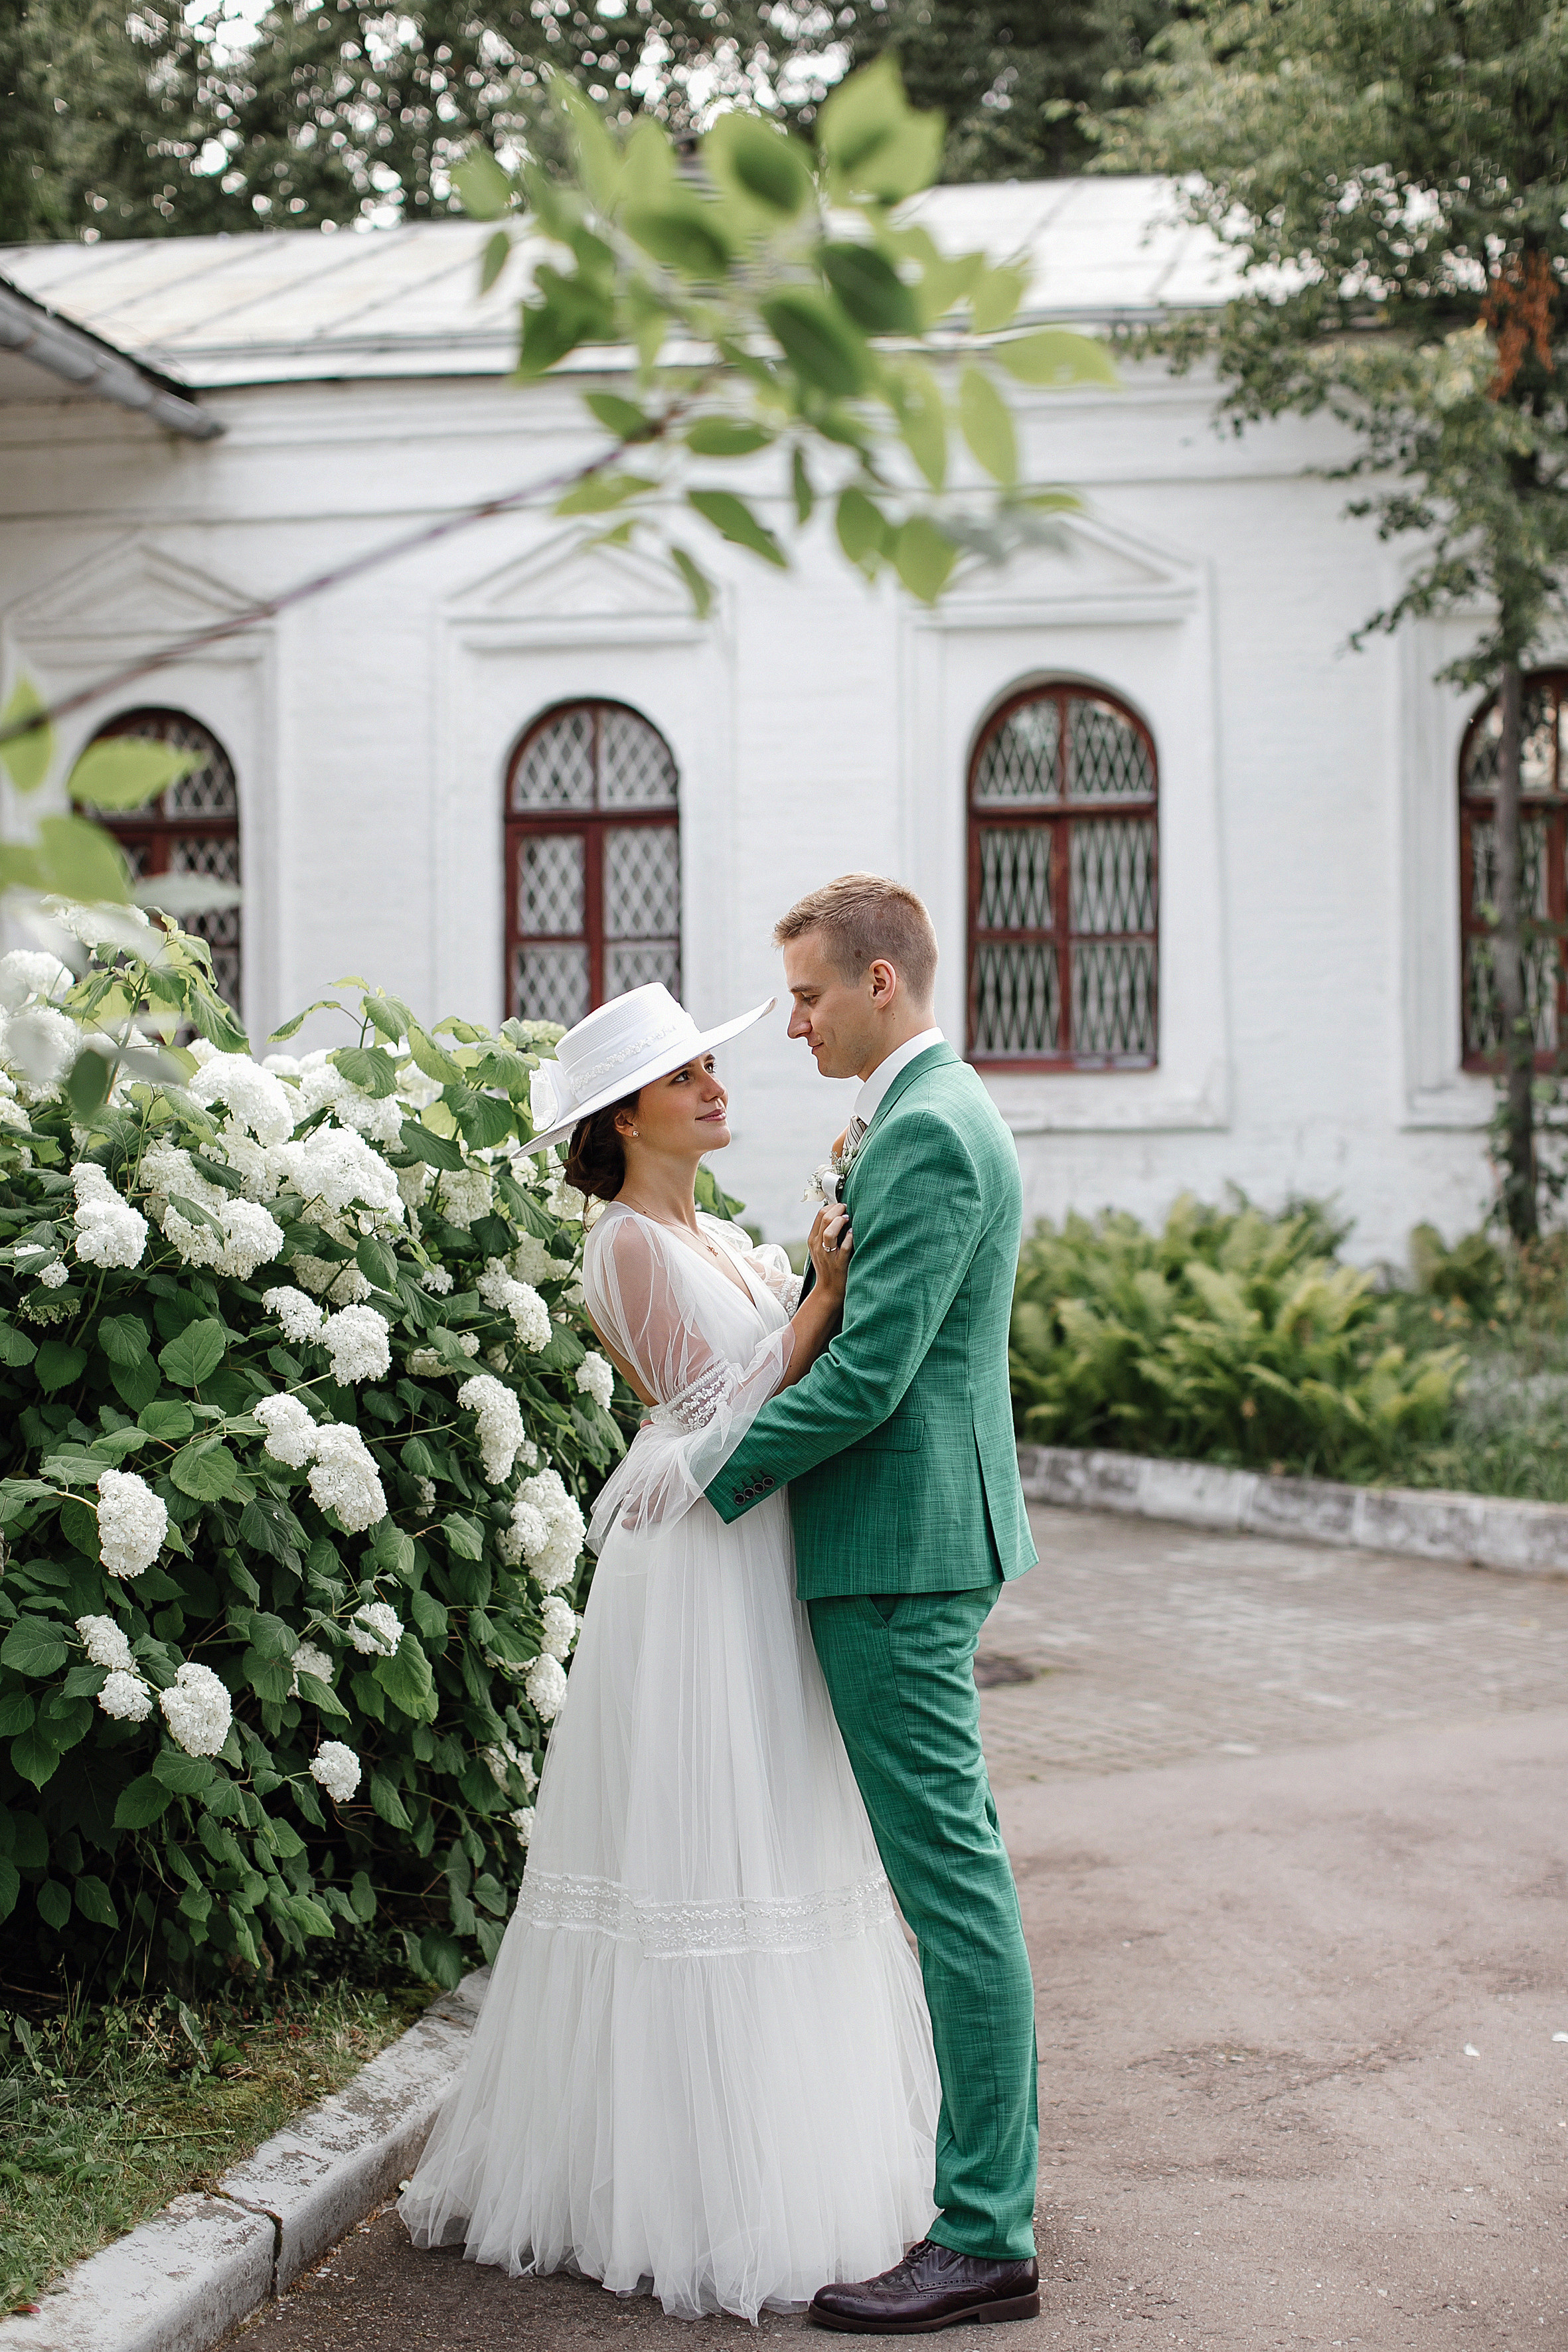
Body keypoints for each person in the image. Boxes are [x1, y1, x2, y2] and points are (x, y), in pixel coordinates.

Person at [399, 980, 940, 2323]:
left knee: (779, 1835)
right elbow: (717, 1410)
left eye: (712, 1066)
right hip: (698, 1559)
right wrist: (817, 1301)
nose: (714, 1087)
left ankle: (777, 2153)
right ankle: (673, 2186)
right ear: (627, 1114)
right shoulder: (624, 1247)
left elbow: (769, 1378)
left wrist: (809, 1280)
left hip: (756, 1547)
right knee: (699, 1846)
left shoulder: (721, 1235)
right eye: (685, 1075)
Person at [707, 875, 1041, 2336]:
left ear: (881, 984)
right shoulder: (916, 1117)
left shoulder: (928, 1135)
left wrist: (704, 1474)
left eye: (807, 993)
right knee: (942, 1877)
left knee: (949, 1886)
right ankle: (979, 2199)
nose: (788, 1022)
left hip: (900, 1550)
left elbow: (868, 1378)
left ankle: (981, 2231)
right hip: (895, 1540)